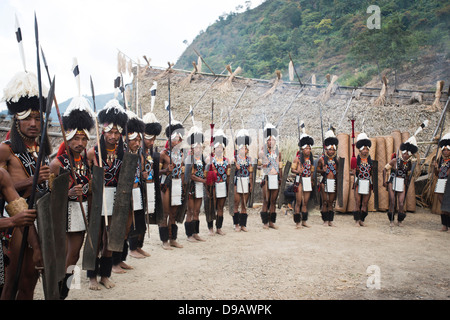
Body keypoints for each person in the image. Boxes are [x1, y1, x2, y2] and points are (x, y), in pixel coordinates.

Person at [0, 71, 49, 300]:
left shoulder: (42, 151)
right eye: (28, 118)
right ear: (16, 119)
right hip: (17, 223)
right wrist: (32, 180)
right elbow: (4, 187)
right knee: (12, 283)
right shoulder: (6, 149)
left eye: (38, 118)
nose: (33, 123)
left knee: (30, 282)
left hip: (42, 217)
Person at [49, 94, 95, 298]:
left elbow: (89, 186)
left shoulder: (85, 162)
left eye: (84, 138)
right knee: (61, 255)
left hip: (80, 211)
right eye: (76, 138)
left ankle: (65, 292)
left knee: (74, 255)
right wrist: (66, 193)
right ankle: (56, 291)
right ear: (67, 137)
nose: (80, 142)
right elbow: (47, 195)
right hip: (62, 214)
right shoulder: (57, 163)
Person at [86, 98, 128, 290]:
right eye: (110, 131)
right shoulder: (92, 152)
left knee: (110, 237)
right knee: (96, 234)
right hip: (97, 198)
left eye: (116, 132)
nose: (113, 136)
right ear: (103, 130)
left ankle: (105, 274)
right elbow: (85, 179)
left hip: (116, 199)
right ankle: (92, 276)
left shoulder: (124, 153)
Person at [112, 110, 145, 272]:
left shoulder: (137, 154)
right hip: (123, 195)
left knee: (128, 227)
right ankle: (113, 262)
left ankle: (121, 258)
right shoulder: (122, 154)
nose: (138, 143)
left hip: (135, 193)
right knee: (119, 227)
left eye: (139, 140)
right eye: (135, 140)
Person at [0, 168, 37, 298]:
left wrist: (37, 248)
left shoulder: (2, 175)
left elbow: (20, 210)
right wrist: (12, 221)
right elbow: (17, 218)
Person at [136, 111, 162, 256]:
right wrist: (141, 175)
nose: (152, 142)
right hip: (138, 189)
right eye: (149, 139)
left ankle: (139, 245)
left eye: (154, 139)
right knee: (138, 219)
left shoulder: (151, 153)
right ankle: (133, 247)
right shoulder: (137, 152)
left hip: (150, 187)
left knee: (145, 218)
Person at [159, 118, 185, 249]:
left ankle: (172, 238)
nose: (178, 141)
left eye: (179, 139)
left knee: (173, 214)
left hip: (176, 183)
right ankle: (164, 240)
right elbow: (155, 172)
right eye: (176, 139)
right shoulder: (163, 154)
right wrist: (165, 170)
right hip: (165, 184)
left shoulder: (180, 153)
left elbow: (181, 169)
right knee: (165, 213)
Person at [383, 136, 417, 227]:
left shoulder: (409, 164)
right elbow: (385, 169)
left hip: (402, 182)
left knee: (401, 203)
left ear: (410, 155)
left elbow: (408, 174)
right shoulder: (395, 160)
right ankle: (391, 220)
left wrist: (406, 181)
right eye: (404, 153)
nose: (405, 155)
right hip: (393, 181)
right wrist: (385, 181)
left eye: (407, 154)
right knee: (392, 201)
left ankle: (400, 220)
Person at [185, 125, 206, 242]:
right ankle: (189, 235)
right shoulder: (190, 159)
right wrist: (203, 180)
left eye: (200, 147)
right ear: (192, 148)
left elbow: (203, 172)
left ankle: (195, 232)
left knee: (197, 211)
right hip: (191, 188)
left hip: (199, 187)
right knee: (190, 211)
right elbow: (190, 175)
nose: (198, 149)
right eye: (196, 147)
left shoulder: (201, 158)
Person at [259, 123, 282, 229]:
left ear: (275, 141)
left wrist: (280, 177)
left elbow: (280, 165)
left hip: (275, 177)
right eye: (268, 140)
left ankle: (272, 221)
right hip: (267, 178)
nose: (270, 142)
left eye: (272, 140)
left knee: (273, 201)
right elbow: (262, 163)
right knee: (266, 200)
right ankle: (265, 222)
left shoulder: (278, 152)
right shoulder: (262, 152)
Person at [207, 129, 230, 235]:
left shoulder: (226, 160)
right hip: (213, 186)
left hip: (223, 184)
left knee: (220, 207)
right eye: (217, 147)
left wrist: (228, 187)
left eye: (221, 147)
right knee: (212, 206)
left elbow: (228, 174)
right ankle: (210, 227)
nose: (219, 149)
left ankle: (219, 227)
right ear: (214, 148)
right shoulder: (210, 160)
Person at [291, 130, 314, 228]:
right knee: (299, 202)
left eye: (309, 148)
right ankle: (297, 222)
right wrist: (298, 171)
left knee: (305, 202)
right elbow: (292, 170)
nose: (308, 150)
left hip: (307, 180)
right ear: (302, 149)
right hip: (299, 181)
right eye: (306, 148)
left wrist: (312, 180)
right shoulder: (297, 159)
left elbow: (312, 171)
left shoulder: (311, 159)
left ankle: (304, 220)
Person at [317, 129, 339, 227]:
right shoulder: (322, 160)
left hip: (333, 182)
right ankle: (325, 220)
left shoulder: (337, 160)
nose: (331, 151)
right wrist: (323, 170)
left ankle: (330, 220)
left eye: (333, 150)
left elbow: (338, 171)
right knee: (325, 201)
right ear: (327, 150)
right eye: (330, 149)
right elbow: (318, 170)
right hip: (324, 182)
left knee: (331, 202)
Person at [350, 133, 373, 227]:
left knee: (365, 202)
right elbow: (351, 172)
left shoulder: (370, 161)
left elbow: (372, 173)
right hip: (359, 182)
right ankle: (356, 220)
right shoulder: (355, 160)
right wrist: (354, 172)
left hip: (367, 182)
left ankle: (362, 219)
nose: (365, 151)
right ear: (360, 150)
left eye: (367, 149)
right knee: (358, 202)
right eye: (364, 149)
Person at [233, 129, 253, 232]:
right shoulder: (234, 159)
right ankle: (236, 223)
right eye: (241, 148)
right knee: (236, 202)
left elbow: (250, 172)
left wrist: (250, 183)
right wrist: (235, 167)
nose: (243, 150)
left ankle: (243, 224)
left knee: (244, 204)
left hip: (246, 181)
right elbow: (231, 171)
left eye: (245, 148)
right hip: (237, 181)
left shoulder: (249, 159)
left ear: (247, 150)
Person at [433, 132, 450, 231]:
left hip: (448, 183)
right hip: (440, 182)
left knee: (447, 204)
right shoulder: (441, 161)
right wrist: (435, 167)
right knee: (442, 203)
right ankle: (444, 225)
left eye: (448, 150)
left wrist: (440, 170)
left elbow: (447, 173)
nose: (446, 152)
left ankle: (447, 225)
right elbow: (437, 174)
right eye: (444, 150)